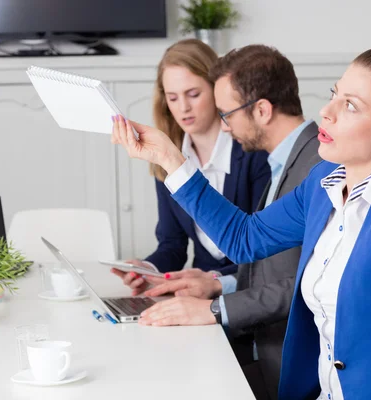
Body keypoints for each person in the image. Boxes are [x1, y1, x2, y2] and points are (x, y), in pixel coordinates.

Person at [112, 47, 371, 399]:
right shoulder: (324, 180)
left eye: (350, 105)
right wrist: (170, 159)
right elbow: (244, 238)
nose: (326, 112)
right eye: (334, 95)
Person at [138, 45, 321, 400]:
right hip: (266, 345)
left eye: (227, 113)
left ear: (263, 110)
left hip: (293, 363)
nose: (223, 125)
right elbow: (263, 260)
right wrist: (217, 284)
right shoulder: (282, 164)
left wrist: (213, 305)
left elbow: (287, 273)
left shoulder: (314, 167)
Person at [111, 39, 270, 295]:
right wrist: (147, 268)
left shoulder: (253, 152)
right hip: (196, 296)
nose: (183, 107)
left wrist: (216, 280)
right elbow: (172, 245)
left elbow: (267, 251)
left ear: (217, 90)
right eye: (173, 98)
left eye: (193, 94)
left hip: (251, 296)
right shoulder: (167, 155)